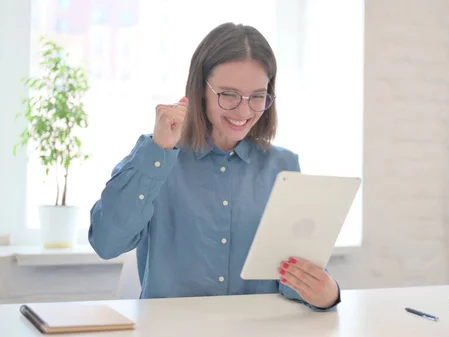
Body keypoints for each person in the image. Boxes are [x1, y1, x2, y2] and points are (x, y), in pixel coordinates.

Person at [88, 22, 341, 311]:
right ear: (201, 90)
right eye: (229, 94)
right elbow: (107, 243)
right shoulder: (158, 158)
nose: (244, 111)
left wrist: (326, 294)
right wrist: (158, 150)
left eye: (257, 96)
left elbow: (289, 275)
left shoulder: (284, 166)